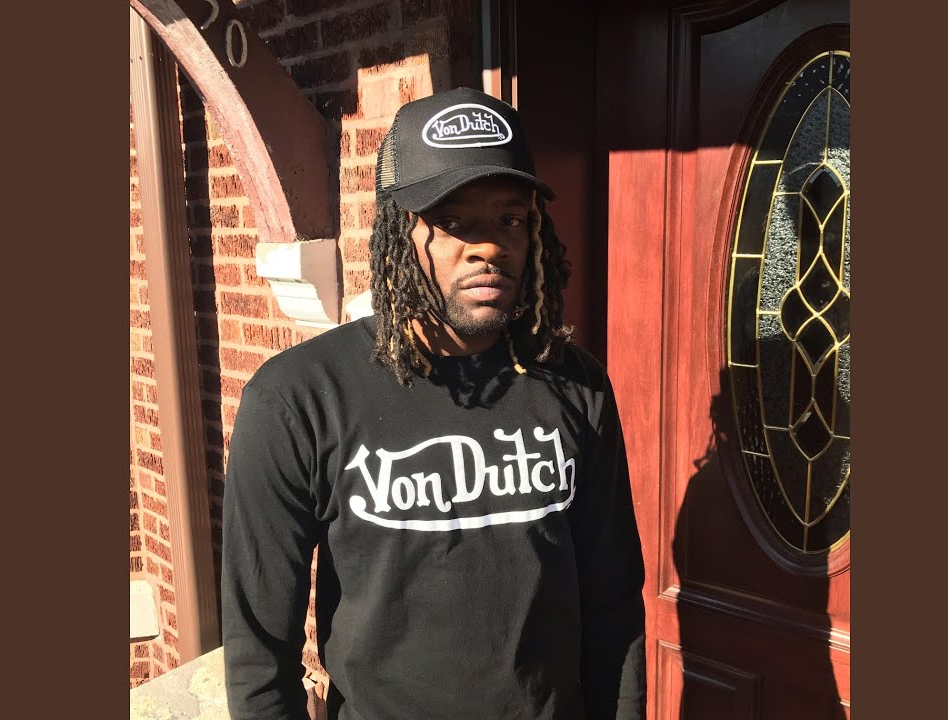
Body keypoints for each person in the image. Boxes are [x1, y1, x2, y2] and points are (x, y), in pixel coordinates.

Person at [221, 87, 646, 720]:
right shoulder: (298, 399)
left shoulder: (575, 385)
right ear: (399, 230)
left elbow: (614, 606)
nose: (488, 247)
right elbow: (259, 655)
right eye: (454, 222)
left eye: (510, 220)